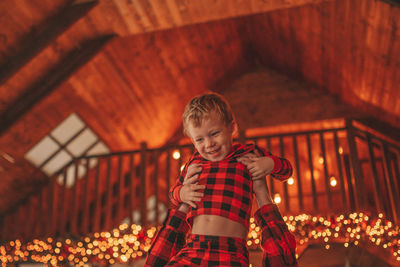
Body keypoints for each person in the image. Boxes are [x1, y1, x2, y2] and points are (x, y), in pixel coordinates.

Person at [145, 93, 297, 266]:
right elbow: (174, 194)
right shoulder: (194, 163)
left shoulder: (248, 154)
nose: (209, 144)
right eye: (200, 139)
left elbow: (286, 171)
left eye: (214, 133)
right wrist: (182, 192)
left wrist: (270, 163)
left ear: (232, 128)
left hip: (230, 252)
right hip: (194, 248)